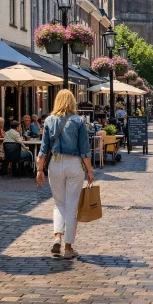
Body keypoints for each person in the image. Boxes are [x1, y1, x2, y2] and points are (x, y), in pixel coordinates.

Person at [36, 89, 94, 260]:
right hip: (74, 164)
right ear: (72, 102)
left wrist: (40, 170)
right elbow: (85, 149)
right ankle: (68, 248)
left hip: (55, 164)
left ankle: (57, 237)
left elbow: (43, 149)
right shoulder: (78, 121)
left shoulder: (49, 120)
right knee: (71, 205)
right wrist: (90, 171)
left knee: (59, 204)